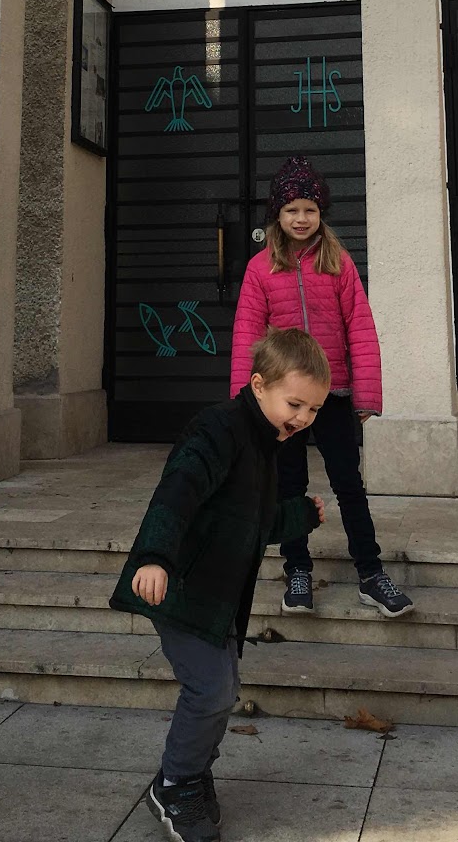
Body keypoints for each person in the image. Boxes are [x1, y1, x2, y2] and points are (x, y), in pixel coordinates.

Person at [111, 327, 330, 842]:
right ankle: (175, 784)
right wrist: (154, 557)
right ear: (259, 386)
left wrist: (298, 515)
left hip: (218, 596)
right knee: (209, 688)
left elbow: (250, 522)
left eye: (314, 410)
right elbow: (178, 492)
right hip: (181, 586)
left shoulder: (263, 443)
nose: (303, 418)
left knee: (223, 688)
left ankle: (193, 773)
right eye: (295, 404)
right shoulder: (219, 429)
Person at [230, 154, 414, 620]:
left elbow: (361, 328)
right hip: (282, 401)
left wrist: (366, 393)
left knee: (349, 484)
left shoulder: (338, 263)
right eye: (291, 209)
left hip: (334, 396)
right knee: (289, 486)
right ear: (277, 214)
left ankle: (371, 573)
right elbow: (247, 335)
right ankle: (297, 570)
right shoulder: (260, 269)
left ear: (321, 213)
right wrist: (246, 403)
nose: (301, 218)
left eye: (309, 209)